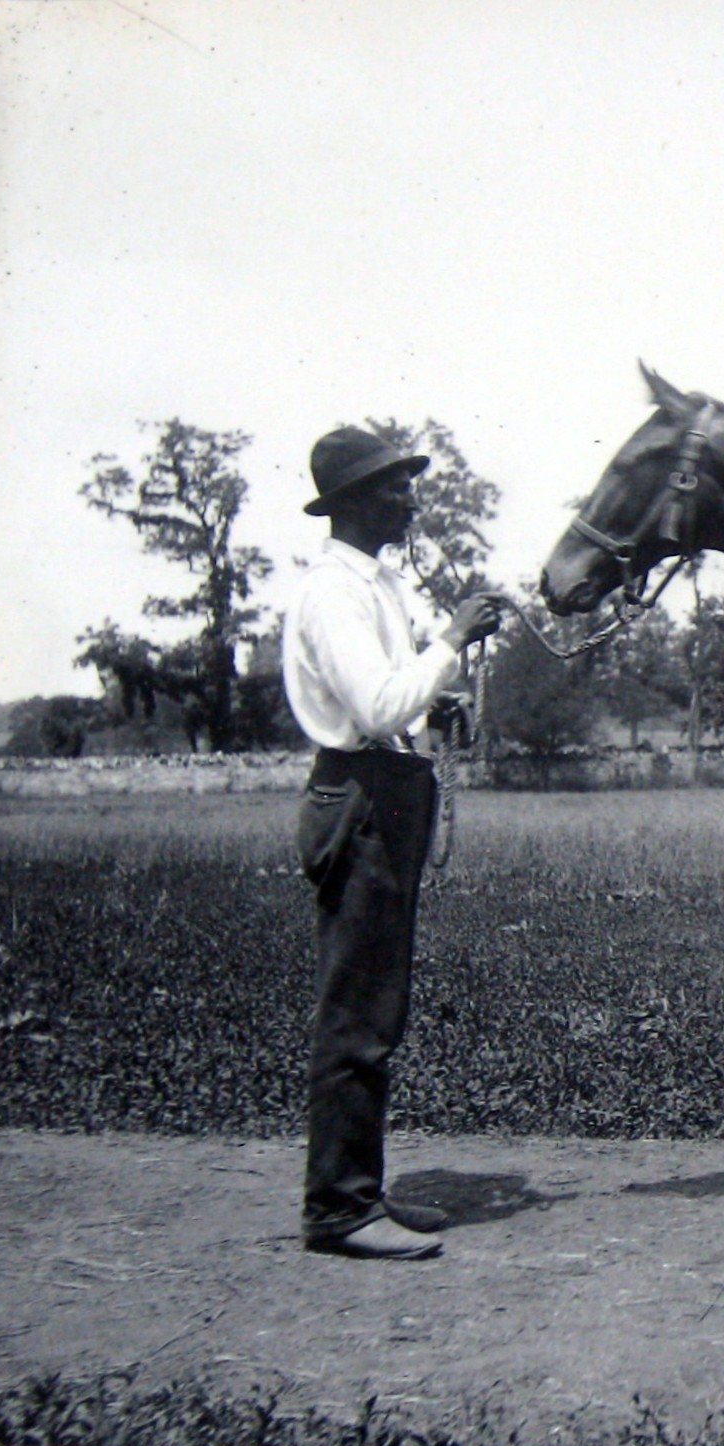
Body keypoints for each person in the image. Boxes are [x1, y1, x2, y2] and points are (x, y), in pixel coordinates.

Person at [283, 426, 509, 1260]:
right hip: (362, 798)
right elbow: (377, 708)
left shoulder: (369, 585)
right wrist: (450, 639)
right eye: (393, 487)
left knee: (375, 1004)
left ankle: (358, 1195)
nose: (410, 498)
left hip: (384, 792)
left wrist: (436, 689)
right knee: (358, 1008)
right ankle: (339, 1209)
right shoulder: (333, 593)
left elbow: (393, 702)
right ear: (348, 503)